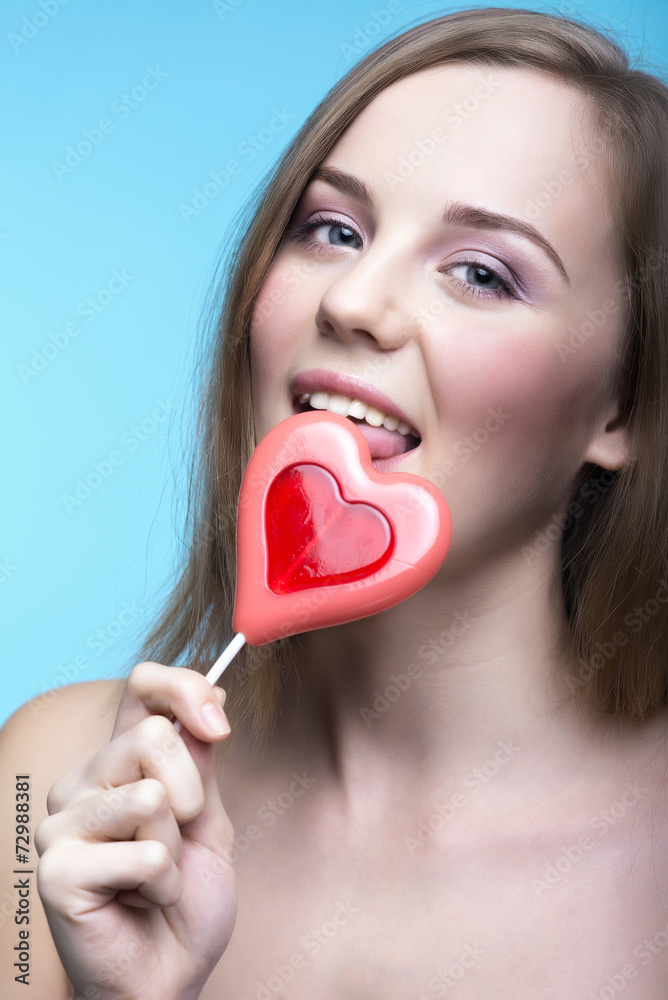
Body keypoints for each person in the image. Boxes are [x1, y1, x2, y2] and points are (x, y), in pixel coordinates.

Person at [2, 6, 668, 997]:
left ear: (621, 405)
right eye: (333, 230)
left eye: (481, 273)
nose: (351, 301)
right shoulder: (45, 776)